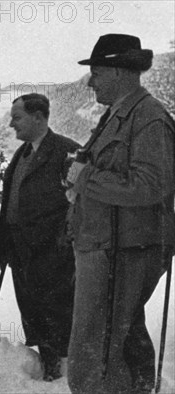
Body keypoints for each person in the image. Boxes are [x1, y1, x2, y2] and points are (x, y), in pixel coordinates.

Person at [66, 34, 175, 394]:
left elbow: (150, 185)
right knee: (120, 335)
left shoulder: (148, 117)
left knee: (97, 343)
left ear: (118, 71)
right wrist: (79, 187)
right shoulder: (118, 115)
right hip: (106, 244)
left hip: (125, 249)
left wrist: (87, 178)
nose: (90, 82)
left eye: (96, 73)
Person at [0, 93, 80, 381]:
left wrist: (64, 240)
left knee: (57, 315)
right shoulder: (23, 153)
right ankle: (48, 368)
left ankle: (63, 376)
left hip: (53, 255)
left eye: (17, 117)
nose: (11, 124)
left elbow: (81, 200)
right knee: (33, 313)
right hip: (21, 252)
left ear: (39, 117)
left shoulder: (67, 152)